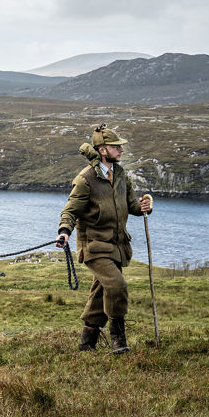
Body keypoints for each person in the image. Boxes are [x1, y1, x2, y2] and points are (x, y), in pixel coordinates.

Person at [56, 124, 153, 353]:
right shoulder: (85, 179)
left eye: (120, 146)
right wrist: (64, 232)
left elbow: (132, 207)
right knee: (117, 286)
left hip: (118, 246)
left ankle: (86, 343)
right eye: (115, 147)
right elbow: (70, 210)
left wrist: (144, 206)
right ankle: (119, 341)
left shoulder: (120, 175)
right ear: (102, 150)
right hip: (94, 247)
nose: (121, 150)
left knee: (101, 294)